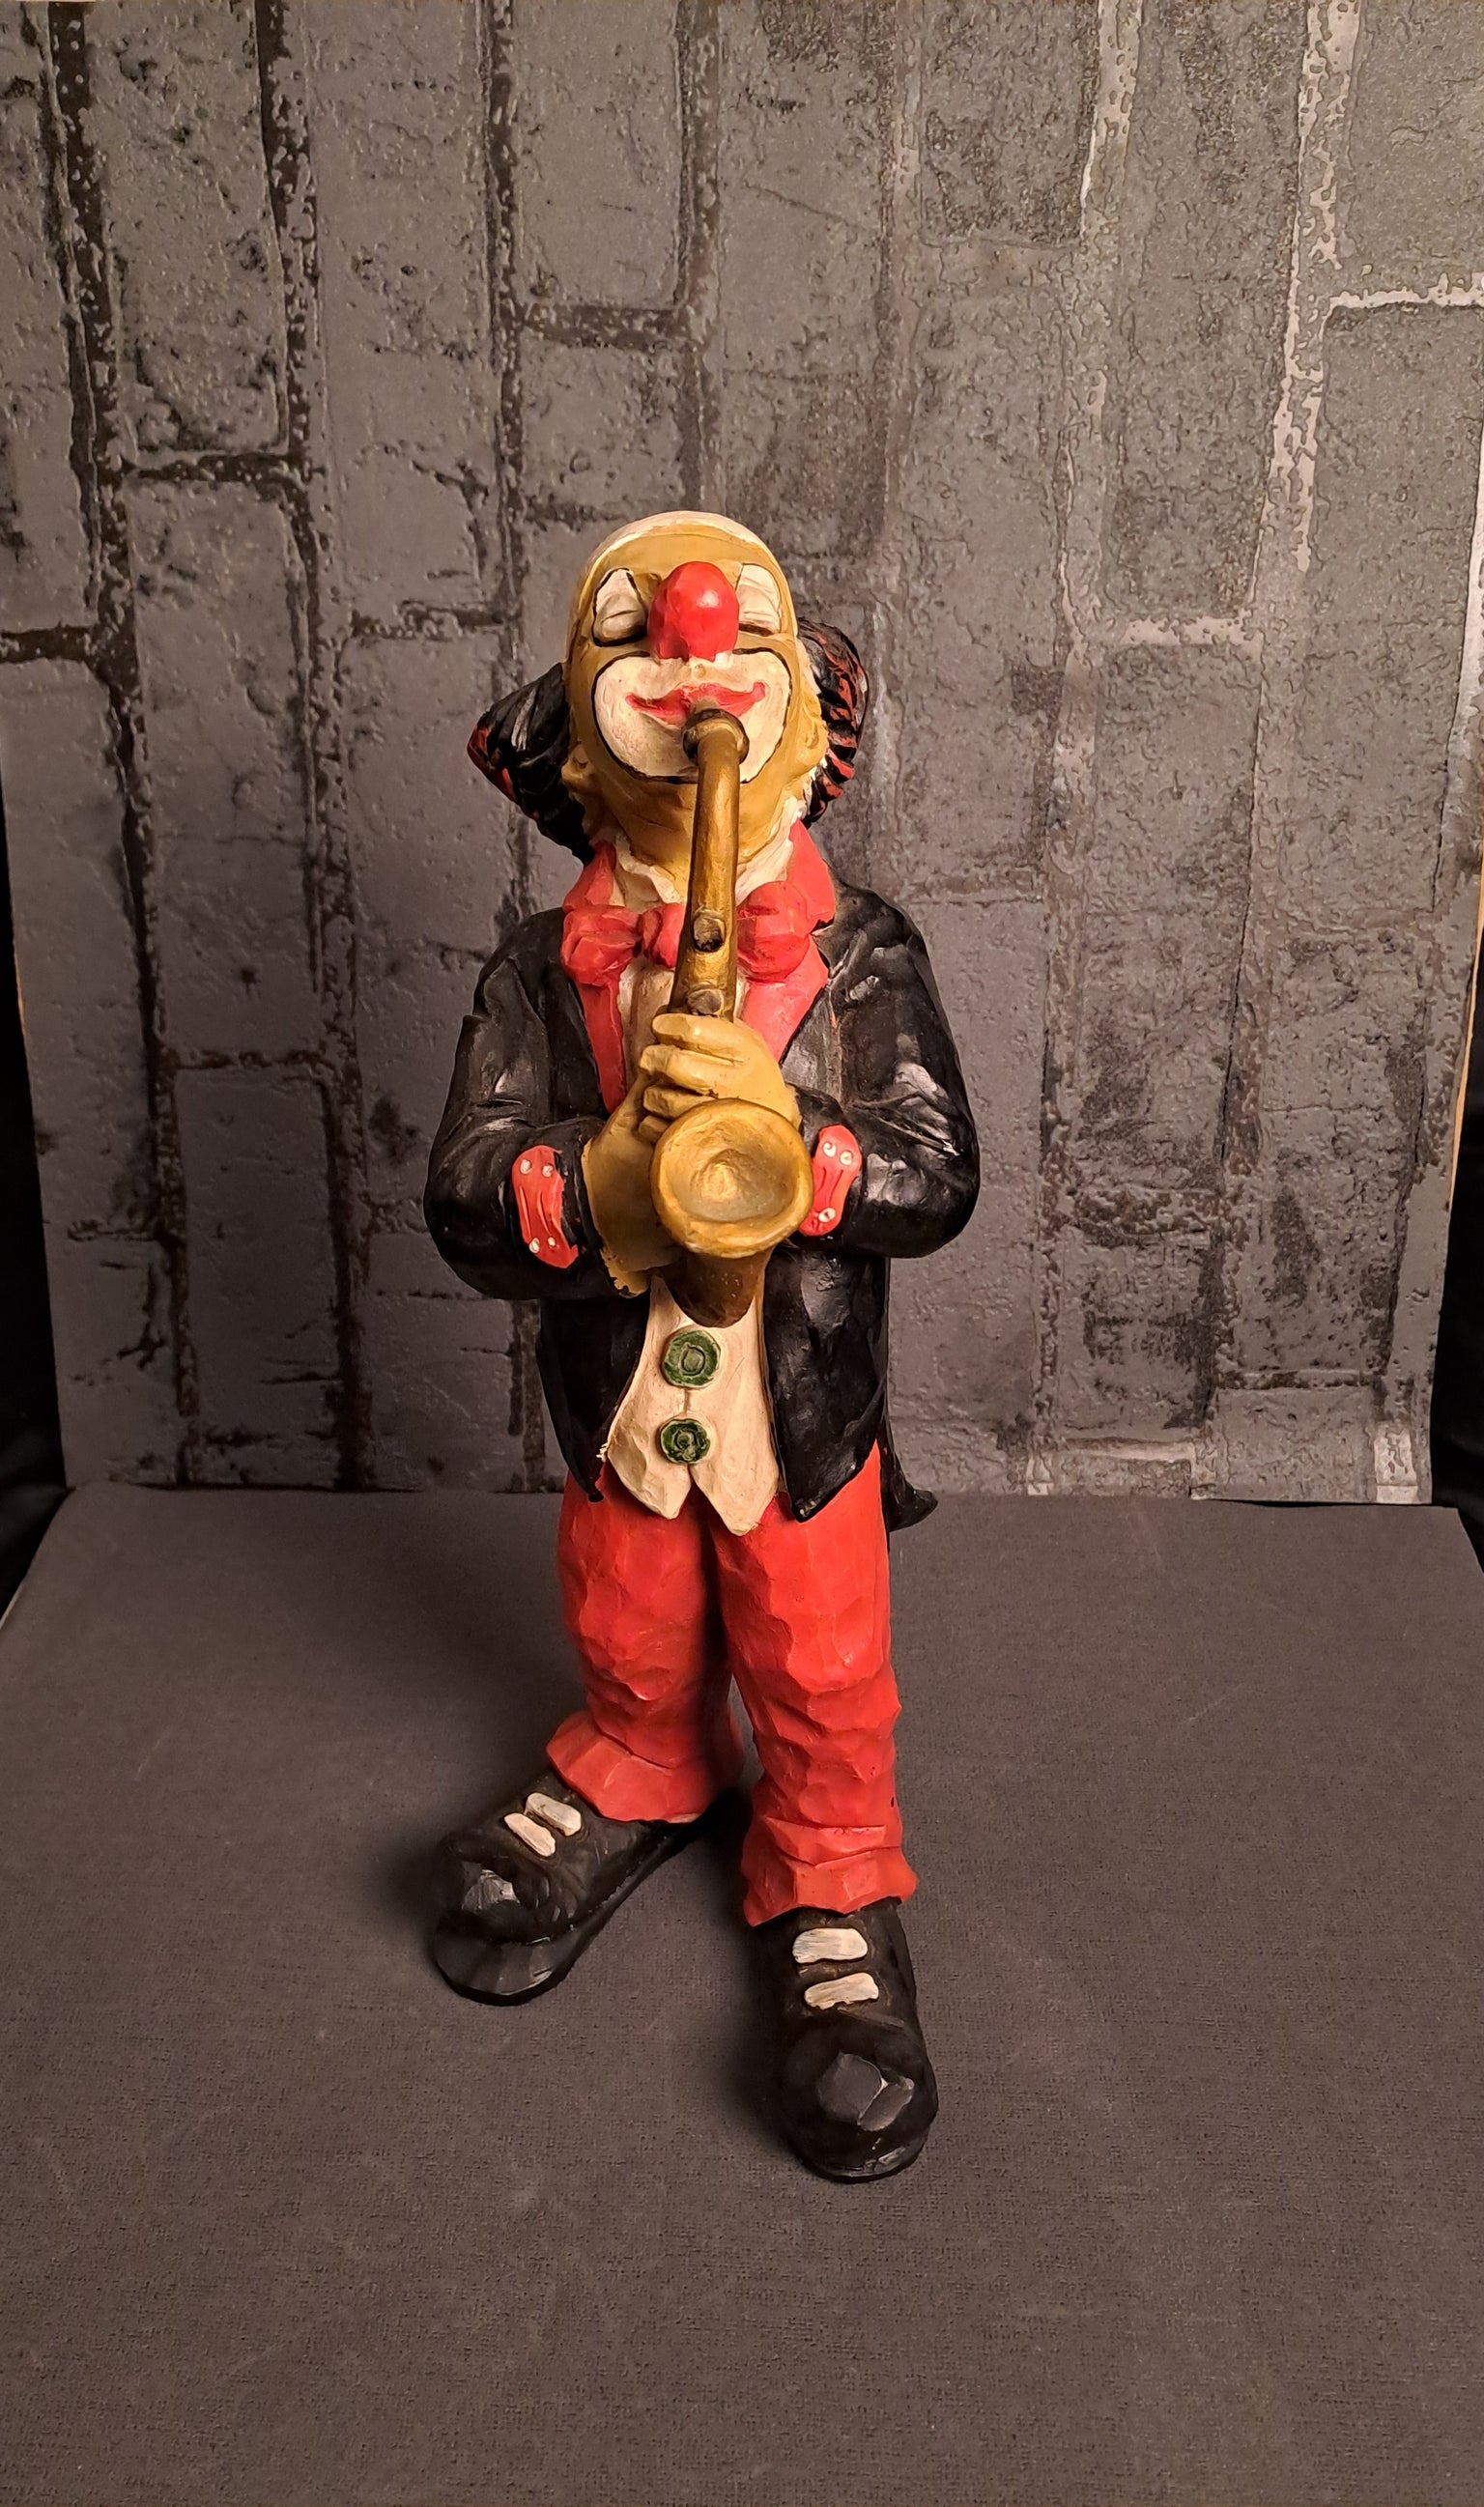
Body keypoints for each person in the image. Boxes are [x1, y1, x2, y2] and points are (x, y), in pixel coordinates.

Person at [424, 511, 978, 2179]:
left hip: (794, 1423)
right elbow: (462, 1194)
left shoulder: (862, 952)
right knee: (627, 1610)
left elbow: (934, 1172)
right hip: (618, 1406)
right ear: (576, 745)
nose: (690, 635)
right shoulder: (537, 971)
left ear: (804, 729)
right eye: (633, 635)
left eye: (741, 637)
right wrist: (604, 1180)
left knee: (816, 1657)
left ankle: (828, 1863)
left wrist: (795, 1144)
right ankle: (641, 1760)